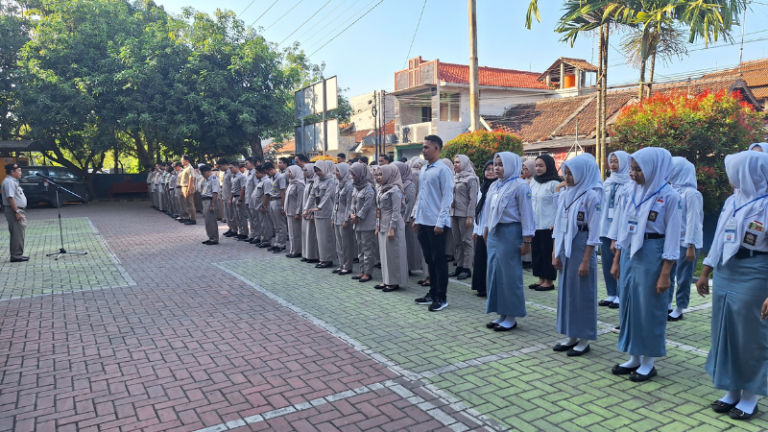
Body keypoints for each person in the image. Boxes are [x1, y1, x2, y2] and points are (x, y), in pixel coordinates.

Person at [696, 150, 768, 421]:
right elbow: (718, 239)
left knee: (750, 335)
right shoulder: (732, 200)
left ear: (750, 173)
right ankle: (732, 390)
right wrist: (706, 271)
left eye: (735, 173)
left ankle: (751, 396)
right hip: (727, 270)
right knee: (724, 331)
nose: (731, 178)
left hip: (755, 271)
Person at [610, 147, 681, 382]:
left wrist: (665, 273)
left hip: (653, 252)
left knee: (649, 307)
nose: (633, 174)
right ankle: (634, 356)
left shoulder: (669, 196)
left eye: (638, 169)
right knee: (629, 304)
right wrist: (618, 259)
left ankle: (648, 362)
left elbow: (672, 236)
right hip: (631, 252)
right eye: (631, 168)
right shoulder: (630, 190)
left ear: (654, 168)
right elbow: (623, 226)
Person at [551, 154, 603, 355]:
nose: (568, 177)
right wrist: (555, 253)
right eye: (567, 173)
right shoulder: (566, 194)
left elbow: (594, 232)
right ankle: (571, 335)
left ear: (583, 173)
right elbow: (557, 226)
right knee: (567, 292)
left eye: (572, 173)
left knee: (582, 293)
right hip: (565, 246)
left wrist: (585, 260)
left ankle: (584, 338)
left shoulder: (592, 196)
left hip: (582, 246)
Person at [484, 152, 534, 331]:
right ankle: (501, 313)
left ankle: (511, 316)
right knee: (495, 274)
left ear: (512, 165)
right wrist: (486, 230)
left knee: (510, 276)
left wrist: (527, 241)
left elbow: (527, 215)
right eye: (496, 164)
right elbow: (488, 211)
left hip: (511, 233)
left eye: (501, 164)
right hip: (495, 234)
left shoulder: (520, 186)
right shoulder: (495, 185)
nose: (497, 168)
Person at [413, 135, 454, 312]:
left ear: (436, 149)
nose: (423, 150)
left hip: (436, 224)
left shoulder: (443, 170)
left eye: (426, 147)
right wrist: (416, 217)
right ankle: (431, 292)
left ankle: (441, 297)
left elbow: (447, 198)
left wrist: (441, 222)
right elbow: (420, 197)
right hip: (423, 221)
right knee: (429, 259)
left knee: (439, 261)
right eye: (423, 147)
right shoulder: (424, 169)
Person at [667, 157, 703, 321]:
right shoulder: (672, 191)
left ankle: (680, 307)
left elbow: (693, 221)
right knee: (668, 274)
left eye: (673, 168)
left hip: (687, 243)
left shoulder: (692, 194)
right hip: (673, 241)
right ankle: (666, 304)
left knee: (683, 277)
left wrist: (691, 245)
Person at [599, 151, 631, 309]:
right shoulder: (607, 183)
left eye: (616, 161)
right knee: (606, 263)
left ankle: (620, 294)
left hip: (620, 230)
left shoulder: (629, 185)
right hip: (605, 229)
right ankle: (611, 293)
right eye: (610, 161)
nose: (612, 164)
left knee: (619, 263)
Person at [374, 165, 409, 292]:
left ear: (389, 175)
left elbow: (396, 211)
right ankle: (386, 280)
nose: (377, 177)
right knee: (384, 254)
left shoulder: (395, 190)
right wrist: (377, 226)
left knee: (393, 254)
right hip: (382, 224)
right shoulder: (381, 189)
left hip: (392, 226)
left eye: (380, 174)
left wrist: (392, 228)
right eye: (376, 174)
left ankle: (394, 282)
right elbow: (378, 210)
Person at [530, 154, 561, 291]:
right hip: (535, 224)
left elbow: (560, 206)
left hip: (549, 225)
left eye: (541, 166)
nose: (538, 168)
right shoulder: (534, 181)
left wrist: (556, 223)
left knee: (547, 253)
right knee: (537, 253)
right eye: (536, 165)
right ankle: (540, 278)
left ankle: (548, 281)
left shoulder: (555, 183)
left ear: (549, 166)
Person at [450, 155, 478, 280]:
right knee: (457, 241)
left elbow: (473, 199)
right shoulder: (455, 177)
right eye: (454, 162)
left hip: (464, 214)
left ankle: (467, 268)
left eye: (458, 162)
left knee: (467, 241)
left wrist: (469, 216)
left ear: (465, 163)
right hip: (454, 213)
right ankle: (459, 266)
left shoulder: (472, 179)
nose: (455, 164)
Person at [471, 161, 496, 297]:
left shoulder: (497, 187)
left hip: (492, 230)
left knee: (489, 259)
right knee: (480, 259)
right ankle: (481, 287)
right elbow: (478, 210)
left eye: (493, 169)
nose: (490, 171)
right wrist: (476, 229)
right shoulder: (482, 188)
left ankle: (489, 287)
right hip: (481, 229)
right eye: (488, 169)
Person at [350, 162, 376, 282]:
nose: (352, 177)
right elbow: (353, 203)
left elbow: (367, 206)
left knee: (367, 248)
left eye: (354, 175)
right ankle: (362, 270)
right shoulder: (356, 187)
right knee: (360, 248)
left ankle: (368, 272)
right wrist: (351, 214)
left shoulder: (369, 188)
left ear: (361, 174)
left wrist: (358, 217)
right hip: (357, 222)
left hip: (367, 222)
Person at [311, 160, 337, 268]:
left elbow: (327, 196)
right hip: (318, 213)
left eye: (319, 170)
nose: (318, 172)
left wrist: (319, 207)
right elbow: (312, 195)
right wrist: (306, 209)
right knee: (320, 237)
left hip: (326, 212)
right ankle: (322, 258)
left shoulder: (331, 180)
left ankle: (328, 259)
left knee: (327, 237)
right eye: (316, 170)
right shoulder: (316, 180)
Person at [393, 162, 418, 274]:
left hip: (406, 219)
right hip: (398, 217)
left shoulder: (409, 185)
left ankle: (409, 266)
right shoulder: (396, 183)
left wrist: (406, 219)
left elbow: (410, 204)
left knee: (408, 243)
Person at [332, 163, 355, 274]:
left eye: (338, 171)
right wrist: (333, 218)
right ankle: (341, 264)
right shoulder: (338, 184)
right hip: (337, 217)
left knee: (346, 244)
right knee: (339, 243)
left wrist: (346, 219)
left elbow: (350, 205)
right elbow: (335, 203)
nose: (336, 173)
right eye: (335, 171)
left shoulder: (349, 185)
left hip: (344, 219)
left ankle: (347, 266)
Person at [2, 163, 28, 262]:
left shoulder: (13, 181)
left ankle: (17, 254)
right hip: (14, 210)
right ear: (12, 172)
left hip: (17, 210)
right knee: (17, 233)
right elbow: (10, 197)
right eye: (19, 171)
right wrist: (17, 211)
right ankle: (16, 256)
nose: (20, 173)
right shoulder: (9, 182)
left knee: (19, 233)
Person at [284, 165, 305, 258]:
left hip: (295, 212)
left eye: (290, 172)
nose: (289, 174)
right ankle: (293, 250)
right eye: (288, 172)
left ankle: (297, 251)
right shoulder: (291, 183)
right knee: (291, 233)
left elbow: (300, 200)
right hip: (289, 211)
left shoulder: (300, 184)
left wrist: (297, 212)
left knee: (296, 233)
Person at [301, 163, 320, 263]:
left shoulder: (315, 183)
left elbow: (315, 199)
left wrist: (312, 213)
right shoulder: (308, 182)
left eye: (306, 170)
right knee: (306, 235)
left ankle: (313, 256)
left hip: (311, 212)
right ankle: (307, 254)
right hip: (306, 212)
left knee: (312, 235)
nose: (304, 172)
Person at [440, 158, 457, 264]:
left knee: (451, 234)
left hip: (452, 208)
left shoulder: (454, 177)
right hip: (442, 208)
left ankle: (451, 253)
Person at [198, 165, 220, 245]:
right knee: (208, 221)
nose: (203, 175)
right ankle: (210, 237)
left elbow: (215, 193)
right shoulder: (206, 180)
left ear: (208, 171)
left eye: (204, 173)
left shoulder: (214, 180)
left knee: (211, 221)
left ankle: (214, 238)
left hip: (210, 201)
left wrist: (213, 205)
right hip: (205, 200)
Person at [257, 166, 275, 249]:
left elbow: (266, 194)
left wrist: (264, 206)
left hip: (264, 206)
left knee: (266, 224)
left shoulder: (267, 181)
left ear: (262, 173)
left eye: (257, 173)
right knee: (262, 224)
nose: (255, 174)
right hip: (259, 206)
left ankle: (267, 240)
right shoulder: (260, 181)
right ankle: (263, 239)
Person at [217, 159, 236, 237]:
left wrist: (230, 198)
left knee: (231, 214)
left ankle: (234, 229)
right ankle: (230, 228)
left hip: (229, 196)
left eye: (220, 166)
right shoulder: (225, 173)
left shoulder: (230, 173)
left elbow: (232, 187)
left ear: (225, 164)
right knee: (227, 214)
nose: (219, 168)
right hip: (225, 196)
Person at [229, 164, 248, 239]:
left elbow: (243, 188)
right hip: (234, 197)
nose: (230, 169)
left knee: (241, 216)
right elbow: (232, 189)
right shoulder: (233, 177)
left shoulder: (241, 176)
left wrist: (240, 199)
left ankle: (244, 232)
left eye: (231, 168)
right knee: (236, 216)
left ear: (236, 167)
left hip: (240, 197)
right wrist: (230, 198)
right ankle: (240, 231)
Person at [243, 157, 258, 243]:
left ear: (252, 164)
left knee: (255, 219)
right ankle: (253, 234)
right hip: (248, 199)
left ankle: (257, 235)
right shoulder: (248, 173)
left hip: (254, 200)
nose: (245, 165)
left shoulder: (255, 173)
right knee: (251, 219)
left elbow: (256, 187)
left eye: (247, 163)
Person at [179, 155, 197, 225]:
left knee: (190, 204)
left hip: (188, 187)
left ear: (186, 160)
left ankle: (193, 219)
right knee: (187, 204)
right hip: (184, 187)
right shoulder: (185, 168)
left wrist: (189, 189)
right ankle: (190, 217)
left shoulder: (190, 168)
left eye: (182, 160)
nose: (181, 161)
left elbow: (191, 179)